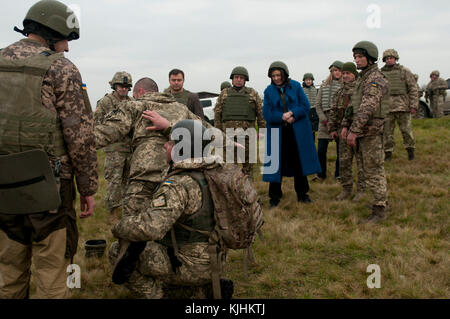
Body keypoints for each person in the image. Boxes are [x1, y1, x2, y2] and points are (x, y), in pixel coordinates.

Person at [0, 0, 98, 298]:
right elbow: (80, 136)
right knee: (55, 274)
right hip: (50, 192)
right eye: (66, 38)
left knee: (7, 271)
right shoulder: (62, 69)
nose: (67, 48)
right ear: (52, 32)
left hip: (4, 187)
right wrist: (88, 188)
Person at [109, 120, 233, 299]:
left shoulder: (179, 184)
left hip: (190, 264)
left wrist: (118, 227)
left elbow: (151, 228)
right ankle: (200, 291)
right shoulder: (215, 173)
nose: (166, 146)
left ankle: (158, 295)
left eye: (171, 142)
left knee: (117, 250)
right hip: (216, 258)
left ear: (182, 148)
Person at [95, 78, 213, 221]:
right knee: (168, 221)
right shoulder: (181, 108)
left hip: (144, 177)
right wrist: (229, 142)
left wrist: (74, 146)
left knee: (134, 223)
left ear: (140, 91)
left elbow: (105, 133)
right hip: (176, 175)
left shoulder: (136, 106)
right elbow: (207, 131)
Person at [262, 61, 321, 207]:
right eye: (273, 75)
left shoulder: (295, 86)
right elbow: (267, 113)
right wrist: (281, 116)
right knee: (275, 164)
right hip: (277, 132)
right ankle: (274, 198)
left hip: (297, 132)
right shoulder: (268, 91)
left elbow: (305, 106)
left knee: (298, 162)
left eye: (278, 75)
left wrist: (292, 113)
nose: (276, 78)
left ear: (284, 74)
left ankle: (302, 194)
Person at [344, 41, 389, 223]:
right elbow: (353, 105)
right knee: (368, 168)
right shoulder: (363, 78)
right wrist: (347, 125)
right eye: (355, 57)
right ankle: (381, 201)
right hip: (364, 131)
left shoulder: (375, 79)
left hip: (371, 132)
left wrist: (354, 131)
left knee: (374, 170)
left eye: (360, 56)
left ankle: (379, 209)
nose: (357, 60)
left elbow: (367, 107)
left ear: (370, 58)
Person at [94, 72, 133, 223]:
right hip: (114, 148)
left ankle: (128, 210)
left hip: (129, 147)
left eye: (127, 86)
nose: (124, 89)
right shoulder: (105, 102)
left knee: (128, 181)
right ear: (114, 86)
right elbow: (97, 125)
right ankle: (113, 212)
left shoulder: (131, 102)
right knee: (114, 181)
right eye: (121, 86)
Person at [214, 66, 266, 180]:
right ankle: (233, 194)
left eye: (241, 78)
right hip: (229, 136)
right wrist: (218, 133)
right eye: (236, 77)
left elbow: (260, 113)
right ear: (232, 79)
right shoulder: (224, 94)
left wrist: (262, 130)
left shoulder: (253, 93)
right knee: (230, 168)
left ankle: (249, 194)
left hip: (248, 136)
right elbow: (217, 115)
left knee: (248, 168)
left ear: (245, 79)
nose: (238, 80)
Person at [329, 62, 365, 201]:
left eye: (348, 73)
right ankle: (346, 188)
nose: (345, 76)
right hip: (341, 131)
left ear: (354, 74)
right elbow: (333, 111)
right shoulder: (339, 92)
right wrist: (332, 128)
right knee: (344, 161)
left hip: (357, 131)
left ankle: (361, 190)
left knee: (360, 162)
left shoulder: (359, 89)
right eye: (343, 74)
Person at [380, 49, 418, 161]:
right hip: (387, 108)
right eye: (387, 58)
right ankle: (388, 154)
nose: (389, 60)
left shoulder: (404, 71)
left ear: (395, 59)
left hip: (403, 106)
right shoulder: (380, 73)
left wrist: (413, 105)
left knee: (406, 131)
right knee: (387, 133)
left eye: (391, 58)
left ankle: (410, 151)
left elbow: (413, 88)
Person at [314, 61, 343, 181]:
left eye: (338, 70)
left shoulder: (345, 86)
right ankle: (321, 174)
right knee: (321, 150)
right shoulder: (323, 86)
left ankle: (339, 174)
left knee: (340, 151)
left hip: (339, 122)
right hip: (324, 122)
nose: (336, 73)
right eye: (333, 71)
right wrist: (324, 120)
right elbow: (318, 105)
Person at [302, 73, 319, 142]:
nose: (308, 81)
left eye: (310, 80)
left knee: (313, 129)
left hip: (314, 110)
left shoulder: (315, 90)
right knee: (306, 127)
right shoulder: (301, 90)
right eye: (306, 80)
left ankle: (312, 142)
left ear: (312, 81)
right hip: (306, 111)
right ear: (304, 81)